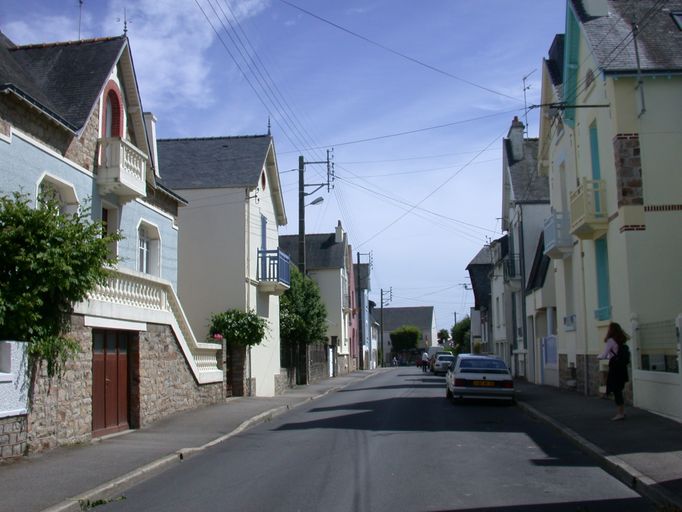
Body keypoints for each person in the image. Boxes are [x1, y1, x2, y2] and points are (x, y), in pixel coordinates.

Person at [598, 322, 630, 421]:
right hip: (622, 368)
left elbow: (605, 354)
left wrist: (599, 357)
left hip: (615, 368)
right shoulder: (621, 340)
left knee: (616, 390)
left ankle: (620, 413)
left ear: (611, 330)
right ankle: (622, 411)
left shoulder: (611, 340)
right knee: (619, 389)